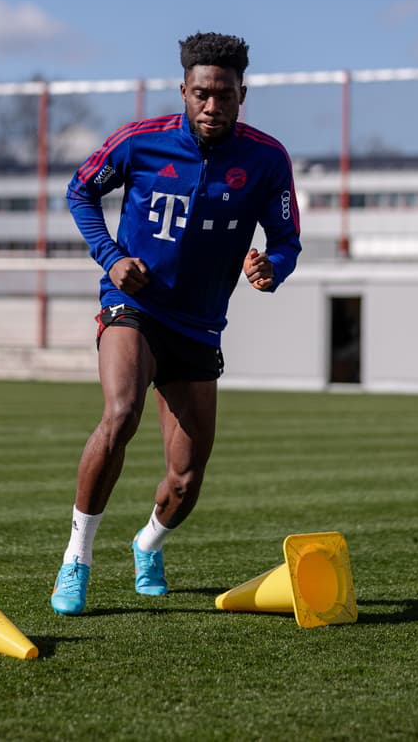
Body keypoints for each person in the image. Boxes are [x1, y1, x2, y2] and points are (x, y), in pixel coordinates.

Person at [51, 32, 302, 615]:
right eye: (201, 94)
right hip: (134, 307)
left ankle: (147, 543)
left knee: (186, 481)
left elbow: (286, 240)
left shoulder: (267, 159)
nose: (212, 106)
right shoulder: (140, 143)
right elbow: (79, 191)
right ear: (183, 90)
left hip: (200, 327)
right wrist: (112, 257)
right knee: (120, 414)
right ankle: (76, 559)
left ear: (243, 93)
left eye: (225, 95)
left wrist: (273, 267)